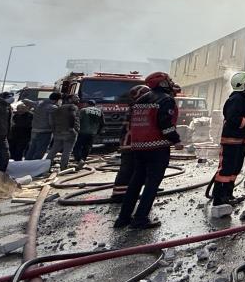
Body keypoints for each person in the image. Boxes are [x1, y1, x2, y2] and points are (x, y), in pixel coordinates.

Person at [115, 72, 180, 229]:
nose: (171, 83)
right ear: (163, 83)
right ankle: (140, 218)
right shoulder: (165, 99)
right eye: (168, 81)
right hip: (157, 147)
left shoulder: (141, 100)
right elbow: (165, 123)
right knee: (152, 184)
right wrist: (176, 140)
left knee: (135, 182)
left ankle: (123, 218)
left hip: (139, 148)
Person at [209, 71, 245, 207]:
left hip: (242, 141)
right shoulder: (235, 100)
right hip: (231, 141)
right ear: (241, 85)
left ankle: (228, 195)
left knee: (235, 169)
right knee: (225, 170)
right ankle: (218, 198)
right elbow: (233, 119)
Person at [110, 84, 150, 202]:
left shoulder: (134, 107)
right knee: (129, 169)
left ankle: (125, 192)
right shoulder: (139, 108)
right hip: (132, 143)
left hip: (130, 143)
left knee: (132, 168)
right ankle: (119, 194)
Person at [46, 95, 80, 171]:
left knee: (54, 150)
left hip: (58, 132)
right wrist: (72, 128)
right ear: (70, 99)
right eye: (76, 98)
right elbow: (72, 116)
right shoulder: (72, 107)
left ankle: (46, 166)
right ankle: (64, 167)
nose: (78, 99)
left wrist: (54, 129)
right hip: (69, 132)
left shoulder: (58, 108)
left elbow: (51, 120)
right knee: (67, 151)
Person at [26, 92, 60, 160]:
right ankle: (35, 165)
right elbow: (51, 121)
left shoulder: (39, 103)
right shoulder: (53, 107)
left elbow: (26, 101)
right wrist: (54, 130)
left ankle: (27, 163)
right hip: (45, 131)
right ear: (57, 100)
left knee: (32, 148)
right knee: (40, 150)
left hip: (34, 130)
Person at [73, 100, 104, 169]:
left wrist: (76, 129)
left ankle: (78, 159)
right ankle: (83, 159)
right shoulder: (99, 111)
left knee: (77, 146)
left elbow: (78, 120)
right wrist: (98, 132)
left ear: (87, 104)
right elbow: (102, 123)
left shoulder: (83, 110)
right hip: (93, 133)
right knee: (87, 147)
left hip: (82, 131)